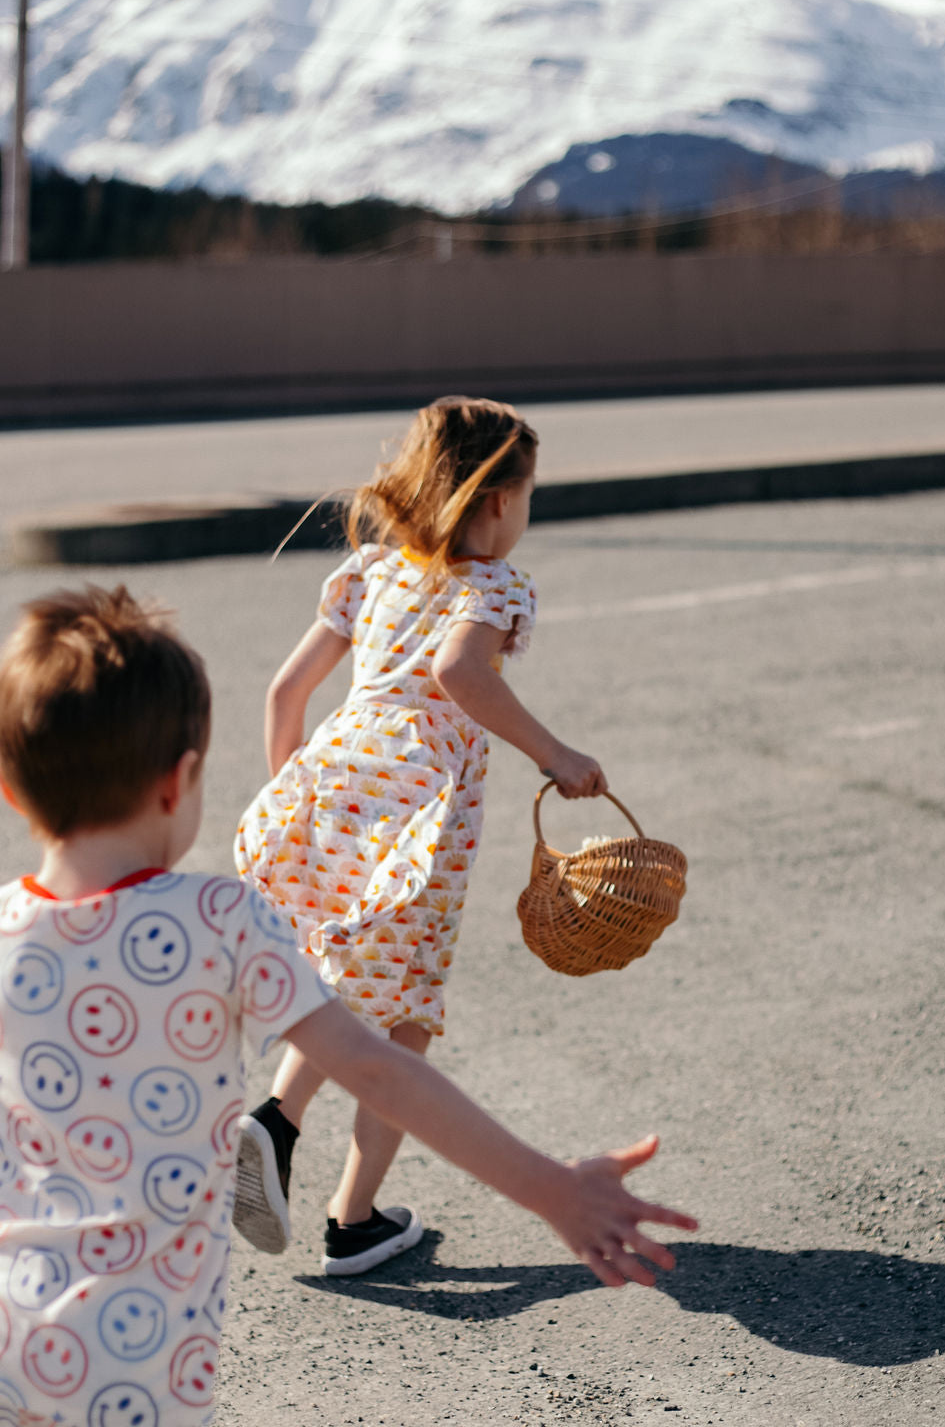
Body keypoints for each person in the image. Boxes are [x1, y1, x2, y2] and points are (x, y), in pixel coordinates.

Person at [0, 585, 697, 1427]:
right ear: (181, 782)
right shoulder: (220, 923)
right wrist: (552, 1189)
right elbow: (378, 1067)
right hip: (139, 1356)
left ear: (11, 787)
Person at [232, 397, 608, 1275]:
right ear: (495, 504)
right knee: (403, 1013)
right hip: (421, 813)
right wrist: (555, 755)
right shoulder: (495, 586)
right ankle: (324, 1183)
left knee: (343, 973)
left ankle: (303, 1159)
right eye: (526, 497)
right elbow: (456, 670)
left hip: (330, 782)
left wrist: (297, 798)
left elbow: (284, 696)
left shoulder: (369, 570)